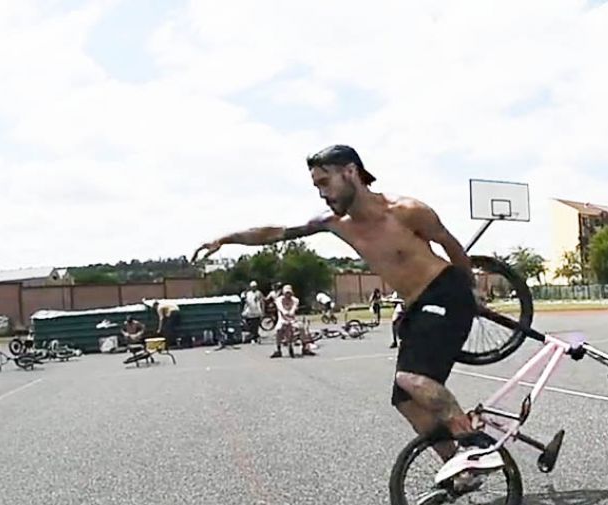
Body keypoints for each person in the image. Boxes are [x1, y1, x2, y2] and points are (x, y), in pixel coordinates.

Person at [192, 144, 480, 464]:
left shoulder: (407, 211)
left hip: (445, 292)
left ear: (351, 172)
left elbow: (450, 245)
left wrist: (471, 287)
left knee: (411, 379)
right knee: (405, 399)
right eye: (316, 186)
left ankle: (472, 442)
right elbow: (276, 232)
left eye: (325, 183)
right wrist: (226, 239)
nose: (321, 194)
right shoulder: (334, 222)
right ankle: (458, 465)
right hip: (415, 304)